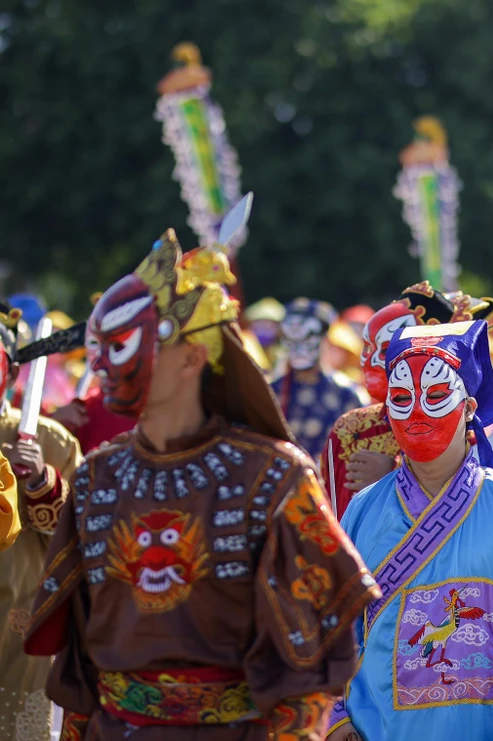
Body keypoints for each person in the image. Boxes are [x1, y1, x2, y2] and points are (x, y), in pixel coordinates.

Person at [23, 223, 379, 740]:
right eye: (102, 347)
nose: (102, 364)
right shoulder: (97, 477)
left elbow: (311, 658)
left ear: (193, 356)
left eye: (125, 346)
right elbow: (81, 663)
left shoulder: (274, 477)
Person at [328, 319, 493, 741]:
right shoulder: (362, 511)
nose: (415, 413)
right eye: (401, 398)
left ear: (469, 408)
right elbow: (333, 635)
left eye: (434, 396)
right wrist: (335, 718)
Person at [322, 283, 493, 517]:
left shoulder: (468, 431)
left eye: (387, 349)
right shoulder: (351, 430)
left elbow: (480, 509)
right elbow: (335, 521)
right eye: (366, 348)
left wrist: (393, 476)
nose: (367, 361)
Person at [0, 301, 84, 741]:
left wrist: (41, 481)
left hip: (21, 618)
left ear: (12, 374)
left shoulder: (50, 440)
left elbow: (86, 533)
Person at [271, 298, 366, 462]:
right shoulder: (270, 393)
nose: (299, 349)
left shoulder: (347, 395)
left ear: (324, 339)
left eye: (308, 339)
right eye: (292, 340)